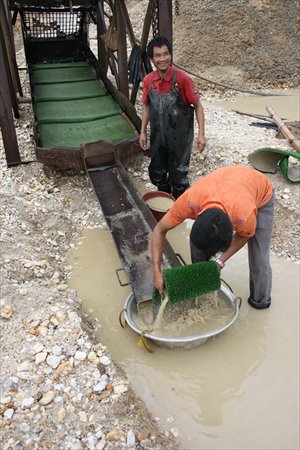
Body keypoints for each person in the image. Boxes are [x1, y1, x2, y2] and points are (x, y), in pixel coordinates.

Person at [150, 165, 275, 310]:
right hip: (227, 183)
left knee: (259, 257)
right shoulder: (189, 201)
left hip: (261, 193)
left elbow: (244, 236)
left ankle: (260, 302)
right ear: (196, 217)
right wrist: (156, 271)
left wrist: (220, 261)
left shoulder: (244, 217)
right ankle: (200, 287)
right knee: (199, 244)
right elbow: (158, 230)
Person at [139, 36, 206, 199]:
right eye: (158, 55)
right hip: (158, 137)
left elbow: (198, 106)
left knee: (179, 175)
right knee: (157, 172)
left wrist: (201, 134)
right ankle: (164, 201)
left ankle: (179, 206)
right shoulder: (149, 81)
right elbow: (146, 105)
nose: (162, 59)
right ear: (152, 59)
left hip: (180, 139)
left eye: (165, 54)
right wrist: (143, 132)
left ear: (170, 55)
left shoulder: (182, 79)